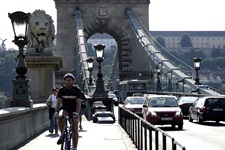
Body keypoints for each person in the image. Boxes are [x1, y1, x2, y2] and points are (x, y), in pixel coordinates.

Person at [55, 73, 82, 150]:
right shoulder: (61, 90)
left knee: (74, 128)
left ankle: (74, 147)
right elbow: (58, 102)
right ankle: (62, 133)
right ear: (65, 81)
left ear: (72, 81)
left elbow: (78, 103)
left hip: (74, 110)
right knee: (59, 116)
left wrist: (77, 114)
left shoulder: (77, 90)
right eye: (66, 80)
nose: (68, 82)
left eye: (70, 80)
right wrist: (56, 112)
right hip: (65, 109)